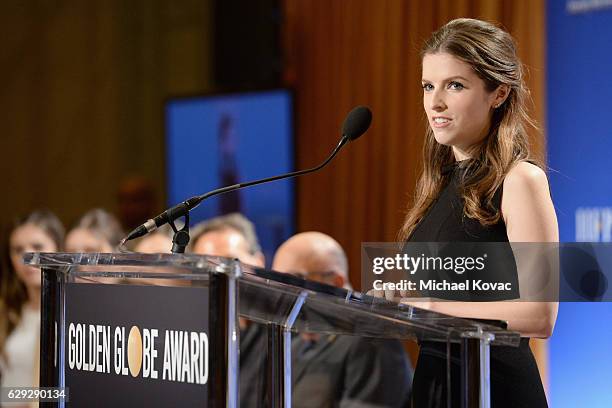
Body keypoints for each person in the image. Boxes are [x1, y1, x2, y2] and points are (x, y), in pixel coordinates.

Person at [397, 18, 558, 407]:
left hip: (494, 389)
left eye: (455, 85)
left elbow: (539, 315)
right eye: (428, 86)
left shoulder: (520, 180)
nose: (435, 102)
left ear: (498, 93)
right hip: (436, 385)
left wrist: (431, 307)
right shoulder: (436, 185)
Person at [273, 232, 413, 408]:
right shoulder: (294, 345)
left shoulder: (371, 339)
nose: (282, 291)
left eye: (292, 279)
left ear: (336, 282)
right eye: (278, 281)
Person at [190, 213, 267, 408]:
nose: (220, 275)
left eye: (230, 262)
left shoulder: (286, 334)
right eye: (206, 267)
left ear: (259, 261)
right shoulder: (187, 336)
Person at [0, 210, 64, 390]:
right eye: (18, 250)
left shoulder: (71, 312)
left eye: (37, 246)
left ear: (58, 249)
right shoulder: (7, 310)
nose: (28, 256)